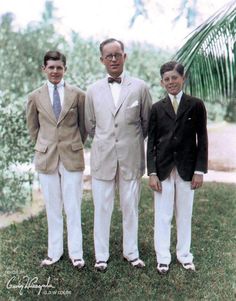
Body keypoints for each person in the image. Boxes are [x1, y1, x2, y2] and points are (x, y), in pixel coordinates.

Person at [85, 38, 152, 272]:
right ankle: (101, 256)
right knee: (102, 208)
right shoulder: (92, 90)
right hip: (103, 158)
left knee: (130, 207)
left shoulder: (140, 87)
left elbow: (146, 124)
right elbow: (90, 125)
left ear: (125, 56)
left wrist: (128, 143)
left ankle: (131, 253)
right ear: (101, 59)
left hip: (131, 158)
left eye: (117, 54)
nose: (113, 59)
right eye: (108, 56)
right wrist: (107, 143)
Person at [26, 51, 87, 269]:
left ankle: (76, 254)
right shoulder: (35, 96)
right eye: (51, 67)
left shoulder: (78, 95)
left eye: (59, 67)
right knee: (52, 207)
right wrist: (45, 144)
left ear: (65, 69)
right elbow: (34, 128)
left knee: (73, 206)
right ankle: (54, 253)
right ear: (44, 69)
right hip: (46, 157)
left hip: (72, 155)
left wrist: (71, 143)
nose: (55, 71)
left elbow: (84, 127)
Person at [147, 61, 208, 275]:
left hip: (187, 168)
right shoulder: (156, 108)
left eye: (174, 77)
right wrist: (152, 172)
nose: (171, 82)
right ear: (162, 82)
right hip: (163, 169)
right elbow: (151, 143)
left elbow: (202, 138)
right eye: (167, 79)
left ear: (183, 78)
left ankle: (184, 255)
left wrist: (199, 170)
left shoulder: (196, 105)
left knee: (184, 214)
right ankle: (163, 257)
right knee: (163, 215)